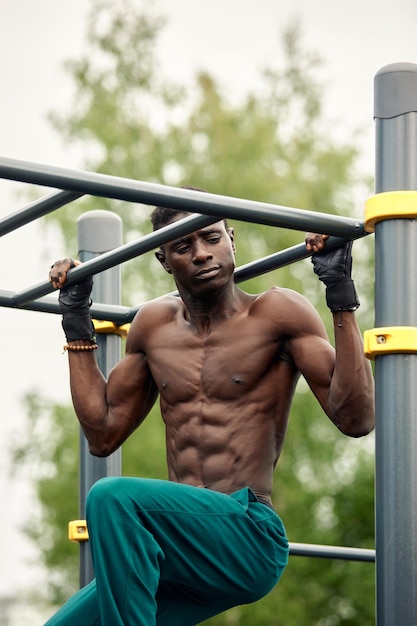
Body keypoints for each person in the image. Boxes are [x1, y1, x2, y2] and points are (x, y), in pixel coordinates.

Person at [45, 203, 374, 626]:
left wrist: (339, 291)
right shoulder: (153, 327)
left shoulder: (277, 313)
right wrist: (75, 318)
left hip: (246, 535)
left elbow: (357, 419)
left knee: (110, 497)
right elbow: (103, 434)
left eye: (212, 238)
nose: (201, 253)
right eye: (183, 246)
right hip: (174, 551)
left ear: (231, 239)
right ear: (163, 260)